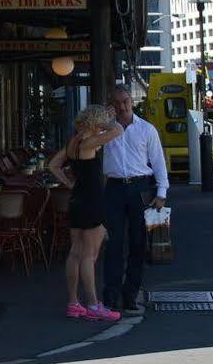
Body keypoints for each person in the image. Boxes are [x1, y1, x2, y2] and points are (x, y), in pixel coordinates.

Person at [48, 104, 126, 322]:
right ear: (96, 123)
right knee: (89, 256)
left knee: (75, 252)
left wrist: (69, 183)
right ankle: (93, 304)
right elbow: (118, 130)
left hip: (77, 200)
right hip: (92, 201)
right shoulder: (90, 143)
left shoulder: (74, 143)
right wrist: (109, 120)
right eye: (100, 123)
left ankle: (74, 303)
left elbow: (53, 165)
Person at [101, 86, 169, 313]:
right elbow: (88, 141)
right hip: (114, 188)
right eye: (117, 103)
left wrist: (162, 193)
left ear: (132, 101)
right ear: (111, 105)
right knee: (113, 243)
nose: (122, 106)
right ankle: (110, 295)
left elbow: (158, 161)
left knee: (138, 243)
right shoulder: (105, 130)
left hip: (141, 188)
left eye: (125, 101)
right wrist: (105, 119)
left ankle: (130, 293)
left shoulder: (147, 130)